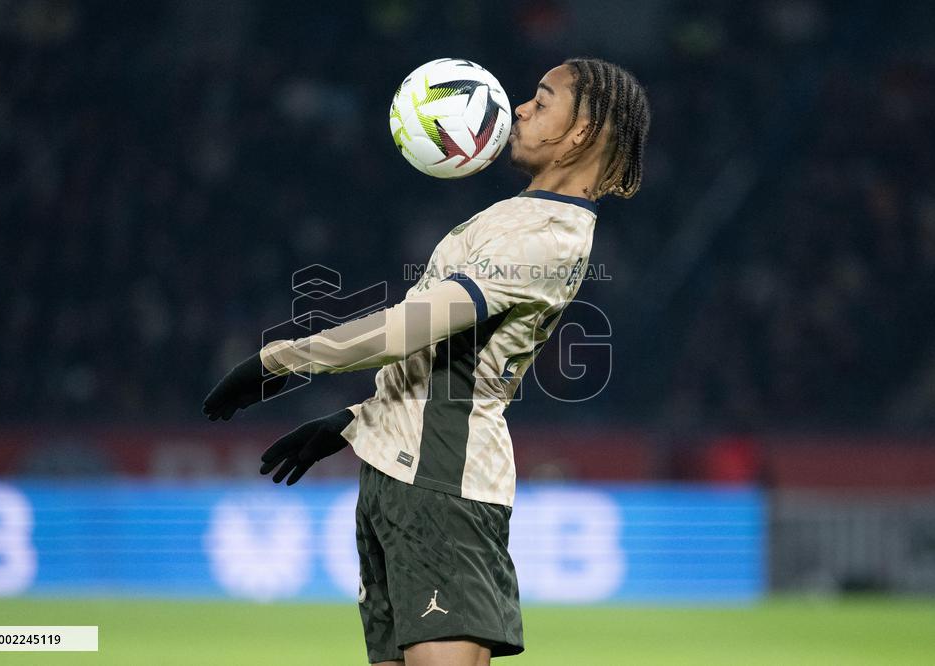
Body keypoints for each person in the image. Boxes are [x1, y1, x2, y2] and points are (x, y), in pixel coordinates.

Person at [203, 57, 650, 666]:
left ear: (583, 133)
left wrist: (281, 361)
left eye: (542, 102)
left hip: (444, 488)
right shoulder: (516, 216)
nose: (519, 107)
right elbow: (449, 359)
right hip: (399, 477)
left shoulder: (547, 238)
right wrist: (357, 421)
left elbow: (410, 329)